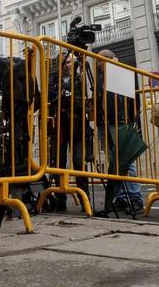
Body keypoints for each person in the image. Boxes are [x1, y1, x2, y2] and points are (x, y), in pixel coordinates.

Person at [92, 50, 142, 214]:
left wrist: (132, 121)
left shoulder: (121, 73)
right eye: (98, 61)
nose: (100, 64)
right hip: (104, 123)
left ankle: (135, 197)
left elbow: (133, 100)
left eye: (102, 60)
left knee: (126, 160)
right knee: (113, 160)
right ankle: (121, 196)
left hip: (120, 121)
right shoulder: (100, 78)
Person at [46, 50, 91, 212]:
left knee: (79, 162)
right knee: (59, 163)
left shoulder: (79, 79)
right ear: (60, 64)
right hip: (58, 127)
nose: (69, 65)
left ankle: (85, 199)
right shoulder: (53, 79)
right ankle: (60, 199)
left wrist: (70, 98)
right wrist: (61, 95)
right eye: (66, 62)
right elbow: (49, 96)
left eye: (72, 62)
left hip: (77, 126)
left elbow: (84, 101)